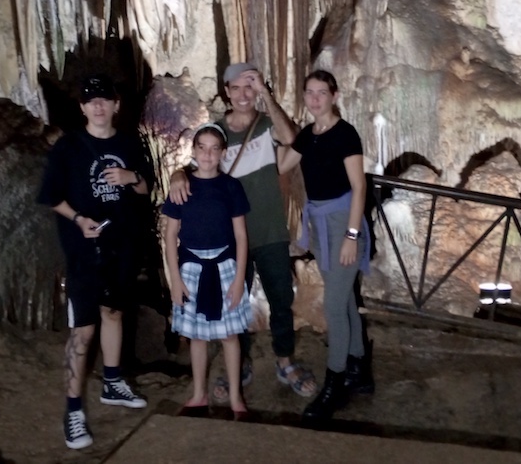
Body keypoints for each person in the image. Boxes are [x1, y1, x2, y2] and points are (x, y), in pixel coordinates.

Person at [169, 62, 317, 400]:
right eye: (236, 88)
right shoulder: (218, 134)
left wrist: (267, 94)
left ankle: (285, 361)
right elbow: (199, 163)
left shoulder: (266, 126)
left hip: (269, 230)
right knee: (234, 305)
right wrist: (179, 174)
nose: (243, 94)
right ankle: (243, 364)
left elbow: (292, 139)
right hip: (229, 239)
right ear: (226, 92)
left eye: (250, 87)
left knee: (281, 299)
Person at [38, 74, 150, 450]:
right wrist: (78, 219)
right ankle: (73, 410)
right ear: (82, 108)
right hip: (84, 248)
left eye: (104, 98)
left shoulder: (130, 144)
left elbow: (145, 187)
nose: (98, 105)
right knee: (83, 329)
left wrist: (129, 175)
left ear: (116, 104)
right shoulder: (68, 147)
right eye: (91, 100)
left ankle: (113, 383)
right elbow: (51, 196)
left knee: (114, 313)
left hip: (122, 243)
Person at [277, 69, 374, 423]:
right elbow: (283, 164)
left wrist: (351, 237)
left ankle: (335, 382)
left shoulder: (345, 134)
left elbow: (359, 187)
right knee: (344, 299)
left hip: (342, 223)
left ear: (334, 96)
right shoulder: (308, 134)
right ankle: (360, 369)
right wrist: (274, 117)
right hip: (319, 225)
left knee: (333, 306)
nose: (315, 98)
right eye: (310, 93)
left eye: (321, 92)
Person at [162, 123, 251, 414]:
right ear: (194, 151)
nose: (208, 154)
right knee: (197, 336)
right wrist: (174, 279)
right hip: (191, 269)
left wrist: (239, 279)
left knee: (229, 335)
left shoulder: (231, 187)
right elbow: (170, 235)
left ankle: (236, 396)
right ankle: (199, 392)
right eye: (203, 148)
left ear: (223, 153)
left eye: (215, 149)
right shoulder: (182, 186)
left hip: (224, 267)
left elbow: (240, 235)